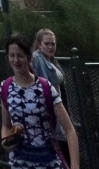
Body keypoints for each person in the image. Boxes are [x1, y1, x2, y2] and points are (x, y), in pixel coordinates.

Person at [0, 33, 79, 169]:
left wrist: (75, 165)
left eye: (20, 56)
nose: (16, 60)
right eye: (12, 56)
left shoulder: (44, 87)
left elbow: (69, 130)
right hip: (20, 162)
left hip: (47, 160)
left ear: (29, 58)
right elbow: (6, 125)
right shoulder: (6, 87)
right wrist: (6, 140)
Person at [32, 29, 69, 163]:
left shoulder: (50, 60)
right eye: (47, 44)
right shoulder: (38, 59)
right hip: (52, 114)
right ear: (39, 44)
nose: (50, 47)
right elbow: (45, 89)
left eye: (53, 44)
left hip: (59, 109)